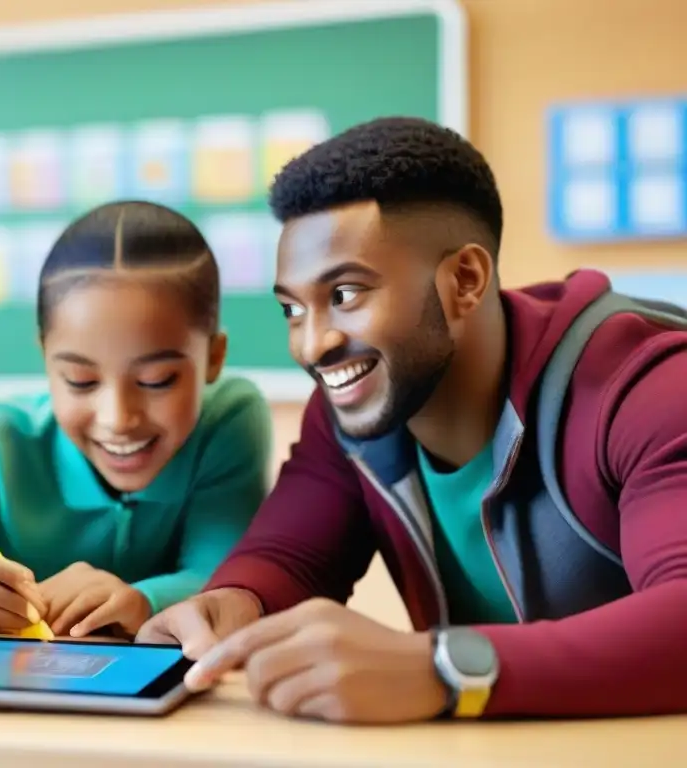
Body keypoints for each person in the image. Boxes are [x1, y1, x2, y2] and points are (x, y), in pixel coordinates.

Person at [137, 116, 687, 723]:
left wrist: (445, 668)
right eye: (293, 309)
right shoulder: (351, 414)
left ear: (464, 282)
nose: (311, 346)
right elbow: (292, 559)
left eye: (344, 295)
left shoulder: (649, 387)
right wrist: (231, 603)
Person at [0, 200, 272, 644]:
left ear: (214, 358)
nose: (118, 419)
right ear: (46, 356)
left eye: (157, 380)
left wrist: (143, 602)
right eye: (80, 381)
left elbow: (233, 582)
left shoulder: (229, 418)